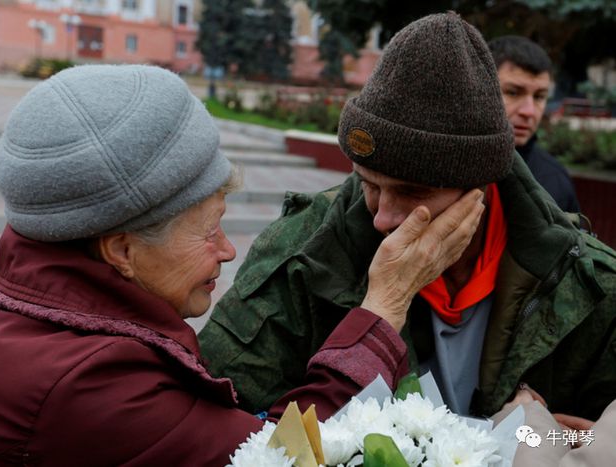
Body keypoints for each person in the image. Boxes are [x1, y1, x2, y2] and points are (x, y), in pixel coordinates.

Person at [0, 65, 484, 465]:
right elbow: (276, 458)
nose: (229, 251)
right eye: (209, 230)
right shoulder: (88, 384)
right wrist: (384, 305)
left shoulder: (21, 300)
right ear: (121, 250)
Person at [199, 12, 616, 424]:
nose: (382, 217)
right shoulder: (301, 253)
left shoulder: (587, 282)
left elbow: (590, 445)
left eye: (413, 192)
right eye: (369, 183)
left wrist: (540, 439)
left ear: (481, 186)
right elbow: (220, 430)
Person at [488, 35, 581, 212]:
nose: (529, 111)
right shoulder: (448, 167)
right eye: (513, 92)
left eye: (539, 96)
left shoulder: (555, 179)